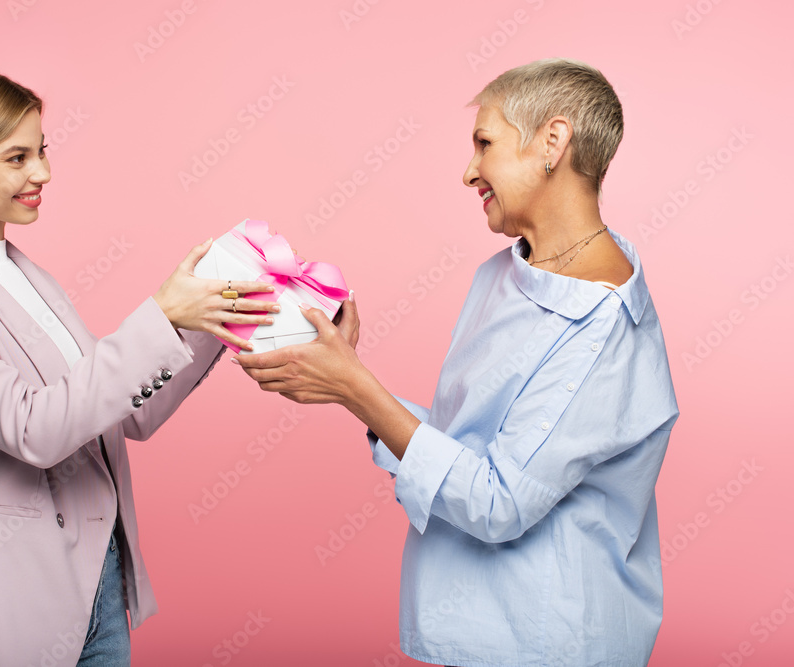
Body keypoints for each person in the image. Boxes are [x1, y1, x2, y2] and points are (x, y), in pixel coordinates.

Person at [236, 58, 679, 666]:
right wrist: (346, 381)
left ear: (552, 142)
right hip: (488, 633)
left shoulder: (602, 322)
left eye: (485, 143)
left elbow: (499, 504)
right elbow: (474, 448)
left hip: (549, 644)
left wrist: (356, 387)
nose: (468, 170)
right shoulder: (507, 271)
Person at [0, 68, 278, 666]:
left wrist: (211, 317)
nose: (42, 172)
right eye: (16, 157)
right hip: (24, 581)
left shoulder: (30, 277)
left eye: (41, 151)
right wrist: (160, 314)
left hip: (104, 572)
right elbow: (33, 429)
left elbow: (125, 415)